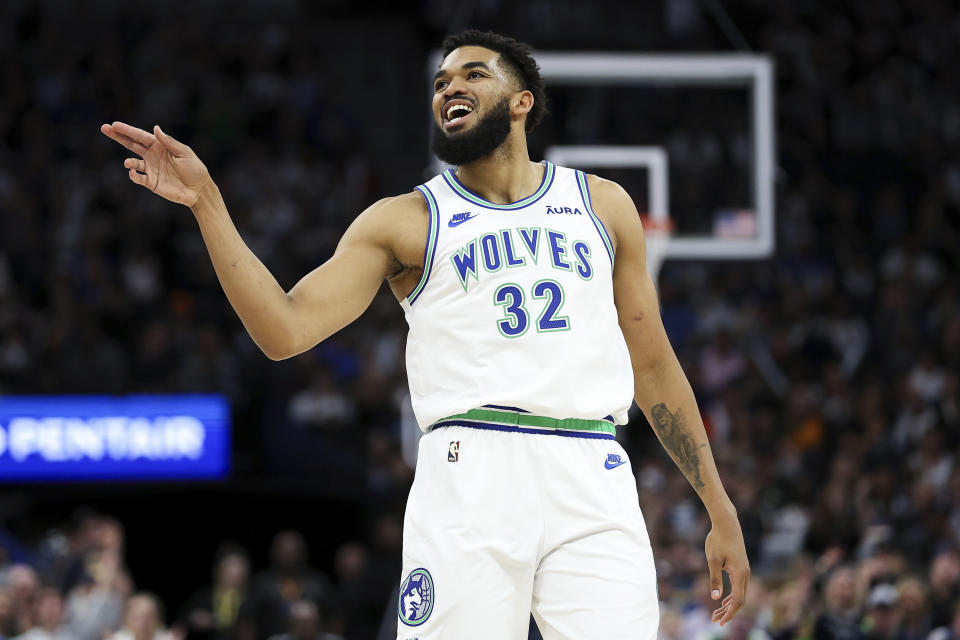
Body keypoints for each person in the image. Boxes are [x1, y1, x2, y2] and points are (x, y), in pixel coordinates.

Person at [101, 28, 749, 640]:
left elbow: (656, 367)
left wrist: (717, 506)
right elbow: (285, 328)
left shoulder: (603, 205)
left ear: (522, 101)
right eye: (441, 82)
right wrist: (208, 204)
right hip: (470, 472)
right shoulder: (406, 220)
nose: (448, 88)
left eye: (472, 73)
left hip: (592, 464)